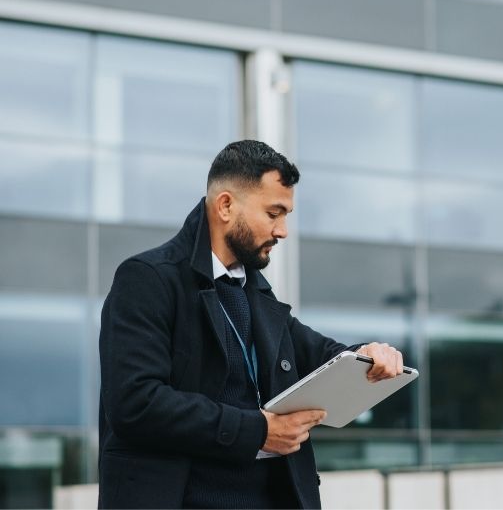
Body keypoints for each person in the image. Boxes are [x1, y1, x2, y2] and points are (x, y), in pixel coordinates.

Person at [98, 140, 404, 509]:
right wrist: (259, 431)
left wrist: (367, 356)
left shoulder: (256, 293)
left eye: (286, 215)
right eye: (274, 213)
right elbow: (136, 404)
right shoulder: (147, 279)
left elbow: (318, 353)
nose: (283, 231)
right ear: (226, 205)